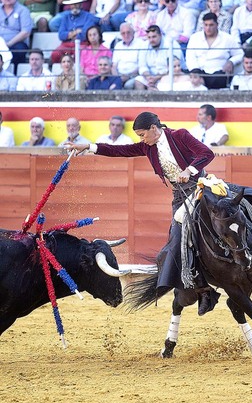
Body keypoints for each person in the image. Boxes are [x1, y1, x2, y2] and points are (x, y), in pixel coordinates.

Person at [66, 111, 219, 316]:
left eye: (142, 135)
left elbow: (207, 153)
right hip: (179, 196)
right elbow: (121, 151)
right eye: (139, 136)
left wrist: (189, 170)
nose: (141, 139)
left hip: (200, 188)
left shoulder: (180, 135)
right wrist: (90, 147)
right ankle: (204, 290)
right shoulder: (149, 147)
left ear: (153, 129)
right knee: (177, 241)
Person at [186, 12, 243, 89]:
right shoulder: (195, 38)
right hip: (200, 73)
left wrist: (231, 62)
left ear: (217, 24)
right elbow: (190, 58)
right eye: (206, 25)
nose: (208, 28)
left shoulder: (227, 38)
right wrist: (196, 73)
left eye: (211, 25)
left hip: (219, 74)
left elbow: (240, 54)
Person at [51, 0, 98, 64]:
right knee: (55, 55)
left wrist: (69, 35)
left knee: (81, 54)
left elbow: (84, 35)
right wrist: (75, 32)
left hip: (82, 44)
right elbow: (61, 35)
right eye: (72, 4)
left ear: (81, 4)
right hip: (66, 45)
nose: (74, 6)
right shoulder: (65, 17)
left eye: (76, 4)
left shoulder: (88, 17)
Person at [134, 24, 185, 90]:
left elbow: (174, 67)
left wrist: (156, 78)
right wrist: (148, 77)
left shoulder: (171, 43)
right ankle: (140, 100)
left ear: (160, 35)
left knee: (153, 88)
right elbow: (142, 66)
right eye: (149, 37)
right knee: (138, 80)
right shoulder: (144, 45)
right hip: (150, 76)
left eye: (154, 37)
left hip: (168, 75)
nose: (151, 40)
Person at [0, 0, 32, 69]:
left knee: (19, 50)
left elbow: (25, 32)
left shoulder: (23, 10)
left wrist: (9, 44)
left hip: (15, 43)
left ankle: (13, 74)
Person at [112, 23, 144, 89]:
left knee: (127, 85)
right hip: (119, 75)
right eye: (123, 33)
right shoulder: (118, 45)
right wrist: (117, 78)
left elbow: (141, 66)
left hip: (134, 75)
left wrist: (128, 76)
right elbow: (114, 66)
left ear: (133, 33)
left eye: (128, 32)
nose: (126, 35)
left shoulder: (141, 44)